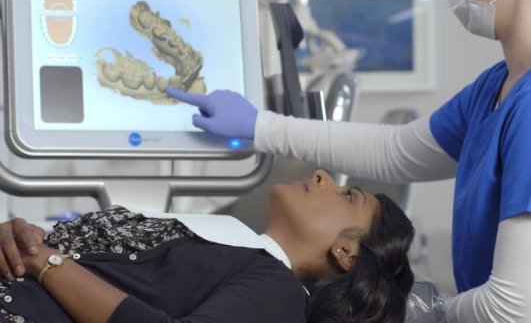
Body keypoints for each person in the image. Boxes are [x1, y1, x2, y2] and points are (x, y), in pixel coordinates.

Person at [165, 0, 531, 323]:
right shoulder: (495, 88)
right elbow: (396, 151)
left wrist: (421, 311)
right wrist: (258, 125)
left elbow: (513, 307)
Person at [0, 170, 414, 323]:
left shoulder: (278, 292)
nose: (323, 176)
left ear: (346, 253)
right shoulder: (229, 242)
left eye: (347, 197)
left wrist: (47, 262)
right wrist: (20, 238)